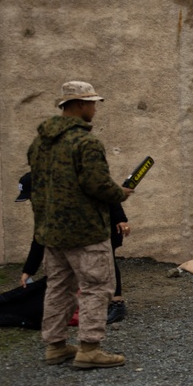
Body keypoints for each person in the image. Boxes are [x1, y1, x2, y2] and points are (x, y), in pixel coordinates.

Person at [27, 81, 132, 369]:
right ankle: (89, 348)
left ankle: (56, 346)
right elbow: (96, 185)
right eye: (93, 103)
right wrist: (119, 194)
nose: (95, 108)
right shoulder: (86, 143)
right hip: (85, 230)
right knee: (96, 287)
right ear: (80, 105)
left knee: (58, 288)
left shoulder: (39, 142)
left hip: (51, 230)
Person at [18, 171, 131, 325]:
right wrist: (28, 270)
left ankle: (117, 305)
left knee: (107, 261)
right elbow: (39, 238)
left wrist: (121, 219)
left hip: (105, 225)